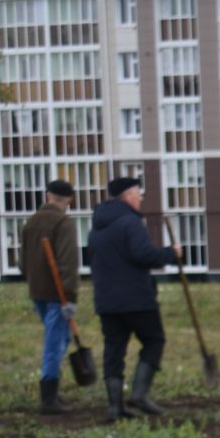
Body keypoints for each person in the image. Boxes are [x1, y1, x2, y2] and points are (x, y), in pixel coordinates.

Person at [86, 175, 181, 422]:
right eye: (138, 193)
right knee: (154, 340)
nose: (141, 197)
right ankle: (139, 394)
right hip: (136, 298)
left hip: (106, 301)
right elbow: (143, 254)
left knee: (113, 350)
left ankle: (115, 407)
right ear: (127, 196)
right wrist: (170, 254)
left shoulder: (96, 227)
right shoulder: (130, 222)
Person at [20, 178, 80, 416]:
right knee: (54, 343)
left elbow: (22, 263)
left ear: (47, 195)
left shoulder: (31, 222)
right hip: (58, 295)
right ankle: (48, 397)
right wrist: (70, 297)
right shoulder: (63, 223)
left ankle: (52, 390)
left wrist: (33, 280)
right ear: (69, 200)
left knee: (61, 339)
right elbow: (68, 262)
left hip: (38, 293)